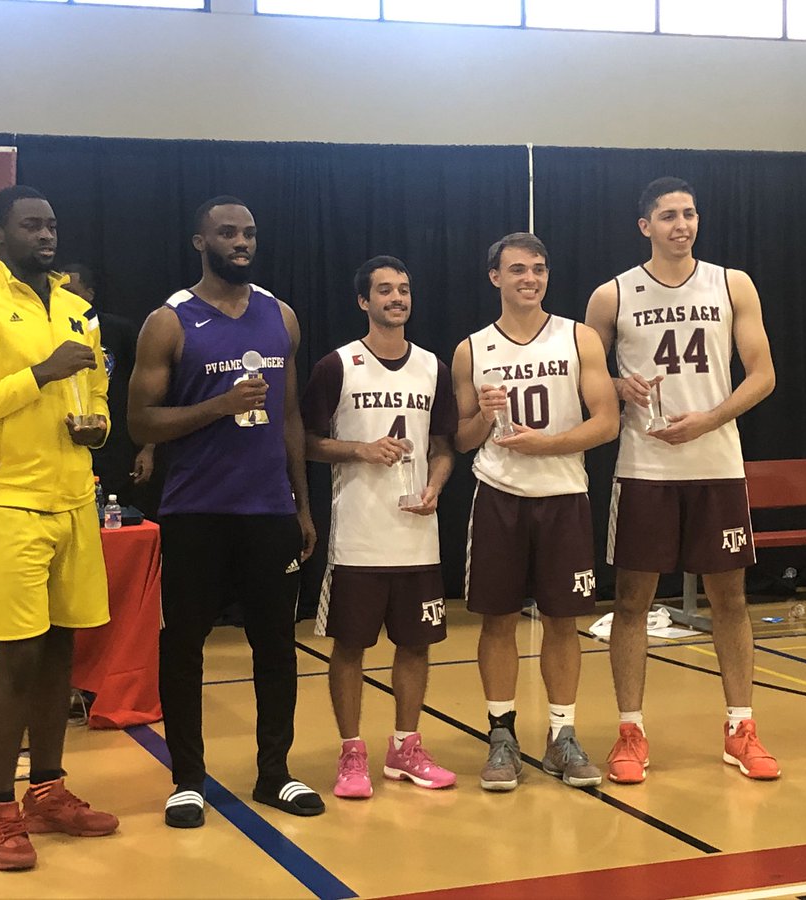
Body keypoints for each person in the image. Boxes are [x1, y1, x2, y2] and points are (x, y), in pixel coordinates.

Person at [0, 185, 119, 871]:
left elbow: (94, 391)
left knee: (62, 649)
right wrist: (38, 374)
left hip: (74, 496)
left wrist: (97, 424)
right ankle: (0, 811)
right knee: (18, 656)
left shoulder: (79, 310)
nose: (46, 235)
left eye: (52, 224)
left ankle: (49, 791)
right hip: (6, 499)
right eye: (30, 225)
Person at [128, 195, 322, 827]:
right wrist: (217, 405)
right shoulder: (170, 321)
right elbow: (139, 422)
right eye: (228, 233)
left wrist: (301, 502)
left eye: (249, 233)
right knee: (184, 645)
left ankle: (275, 774)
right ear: (200, 242)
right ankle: (187, 779)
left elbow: (290, 416)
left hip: (268, 510)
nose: (241, 242)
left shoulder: (281, 317)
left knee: (277, 647)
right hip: (196, 511)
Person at [584, 176, 779, 783]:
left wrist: (708, 420)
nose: (681, 225)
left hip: (716, 464)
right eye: (668, 216)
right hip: (644, 467)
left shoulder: (731, 283)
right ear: (645, 226)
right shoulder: (612, 295)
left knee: (730, 600)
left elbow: (763, 374)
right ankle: (630, 731)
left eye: (690, 214)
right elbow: (588, 380)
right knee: (633, 601)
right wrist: (617, 385)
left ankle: (740, 727)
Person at [451, 233, 619, 792]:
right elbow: (462, 436)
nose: (530, 278)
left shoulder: (579, 338)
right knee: (497, 620)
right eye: (518, 269)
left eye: (539, 269)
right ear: (494, 276)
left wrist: (547, 444)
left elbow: (607, 421)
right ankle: (501, 737)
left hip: (564, 495)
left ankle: (562, 736)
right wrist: (486, 418)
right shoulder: (472, 349)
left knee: (562, 622)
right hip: (497, 495)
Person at [301, 256, 458, 799]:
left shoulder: (433, 366)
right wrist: (359, 450)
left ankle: (405, 748)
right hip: (359, 538)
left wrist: (436, 484)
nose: (397, 298)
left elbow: (443, 447)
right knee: (350, 647)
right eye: (385, 290)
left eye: (404, 290)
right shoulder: (336, 366)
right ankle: (352, 754)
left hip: (417, 536)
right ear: (363, 302)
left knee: (416, 646)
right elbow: (306, 442)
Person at [60, 263, 157, 515]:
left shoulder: (118, 330)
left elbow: (148, 391)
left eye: (71, 290)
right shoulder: (43, 332)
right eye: (59, 290)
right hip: (64, 448)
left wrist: (148, 448)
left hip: (117, 448)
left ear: (89, 294)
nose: (64, 297)